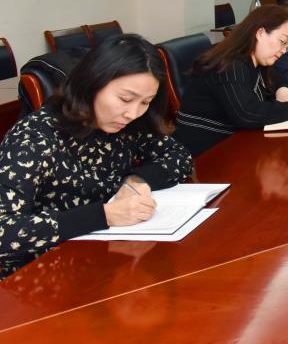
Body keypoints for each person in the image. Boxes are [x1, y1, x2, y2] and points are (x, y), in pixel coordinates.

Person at [0, 35, 193, 277]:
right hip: (43, 272)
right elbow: (4, 231)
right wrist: (105, 215)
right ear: (92, 83)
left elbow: (178, 156)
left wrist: (137, 181)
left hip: (106, 256)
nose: (133, 113)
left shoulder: (128, 124)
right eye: (125, 99)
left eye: (146, 102)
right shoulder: (34, 137)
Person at [174, 5, 288, 156]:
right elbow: (247, 113)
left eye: (287, 46)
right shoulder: (230, 65)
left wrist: (282, 89)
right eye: (282, 41)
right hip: (205, 154)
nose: (283, 50)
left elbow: (279, 79)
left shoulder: (258, 60)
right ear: (260, 33)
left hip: (235, 144)